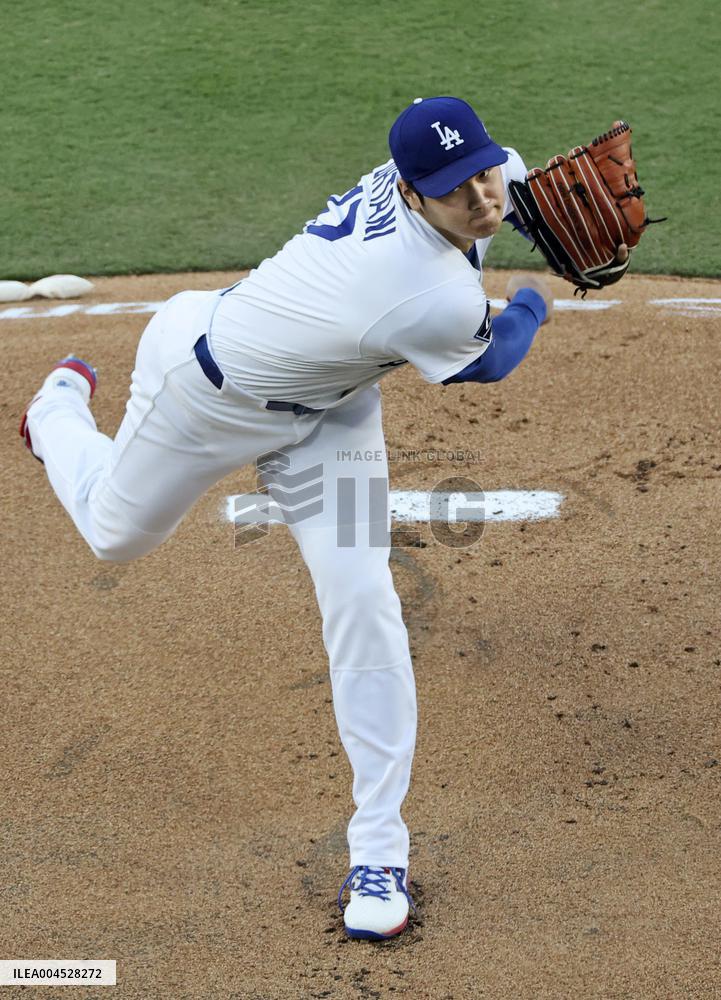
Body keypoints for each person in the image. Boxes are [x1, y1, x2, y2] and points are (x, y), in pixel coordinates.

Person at [20, 96, 555, 942]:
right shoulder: (422, 293)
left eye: (485, 174)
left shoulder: (463, 176)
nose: (482, 198)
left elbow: (511, 175)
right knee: (115, 534)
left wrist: (517, 190)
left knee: (363, 600)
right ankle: (55, 413)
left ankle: (378, 849)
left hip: (328, 413)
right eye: (457, 190)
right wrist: (531, 303)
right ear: (410, 194)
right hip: (206, 393)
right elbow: (487, 363)